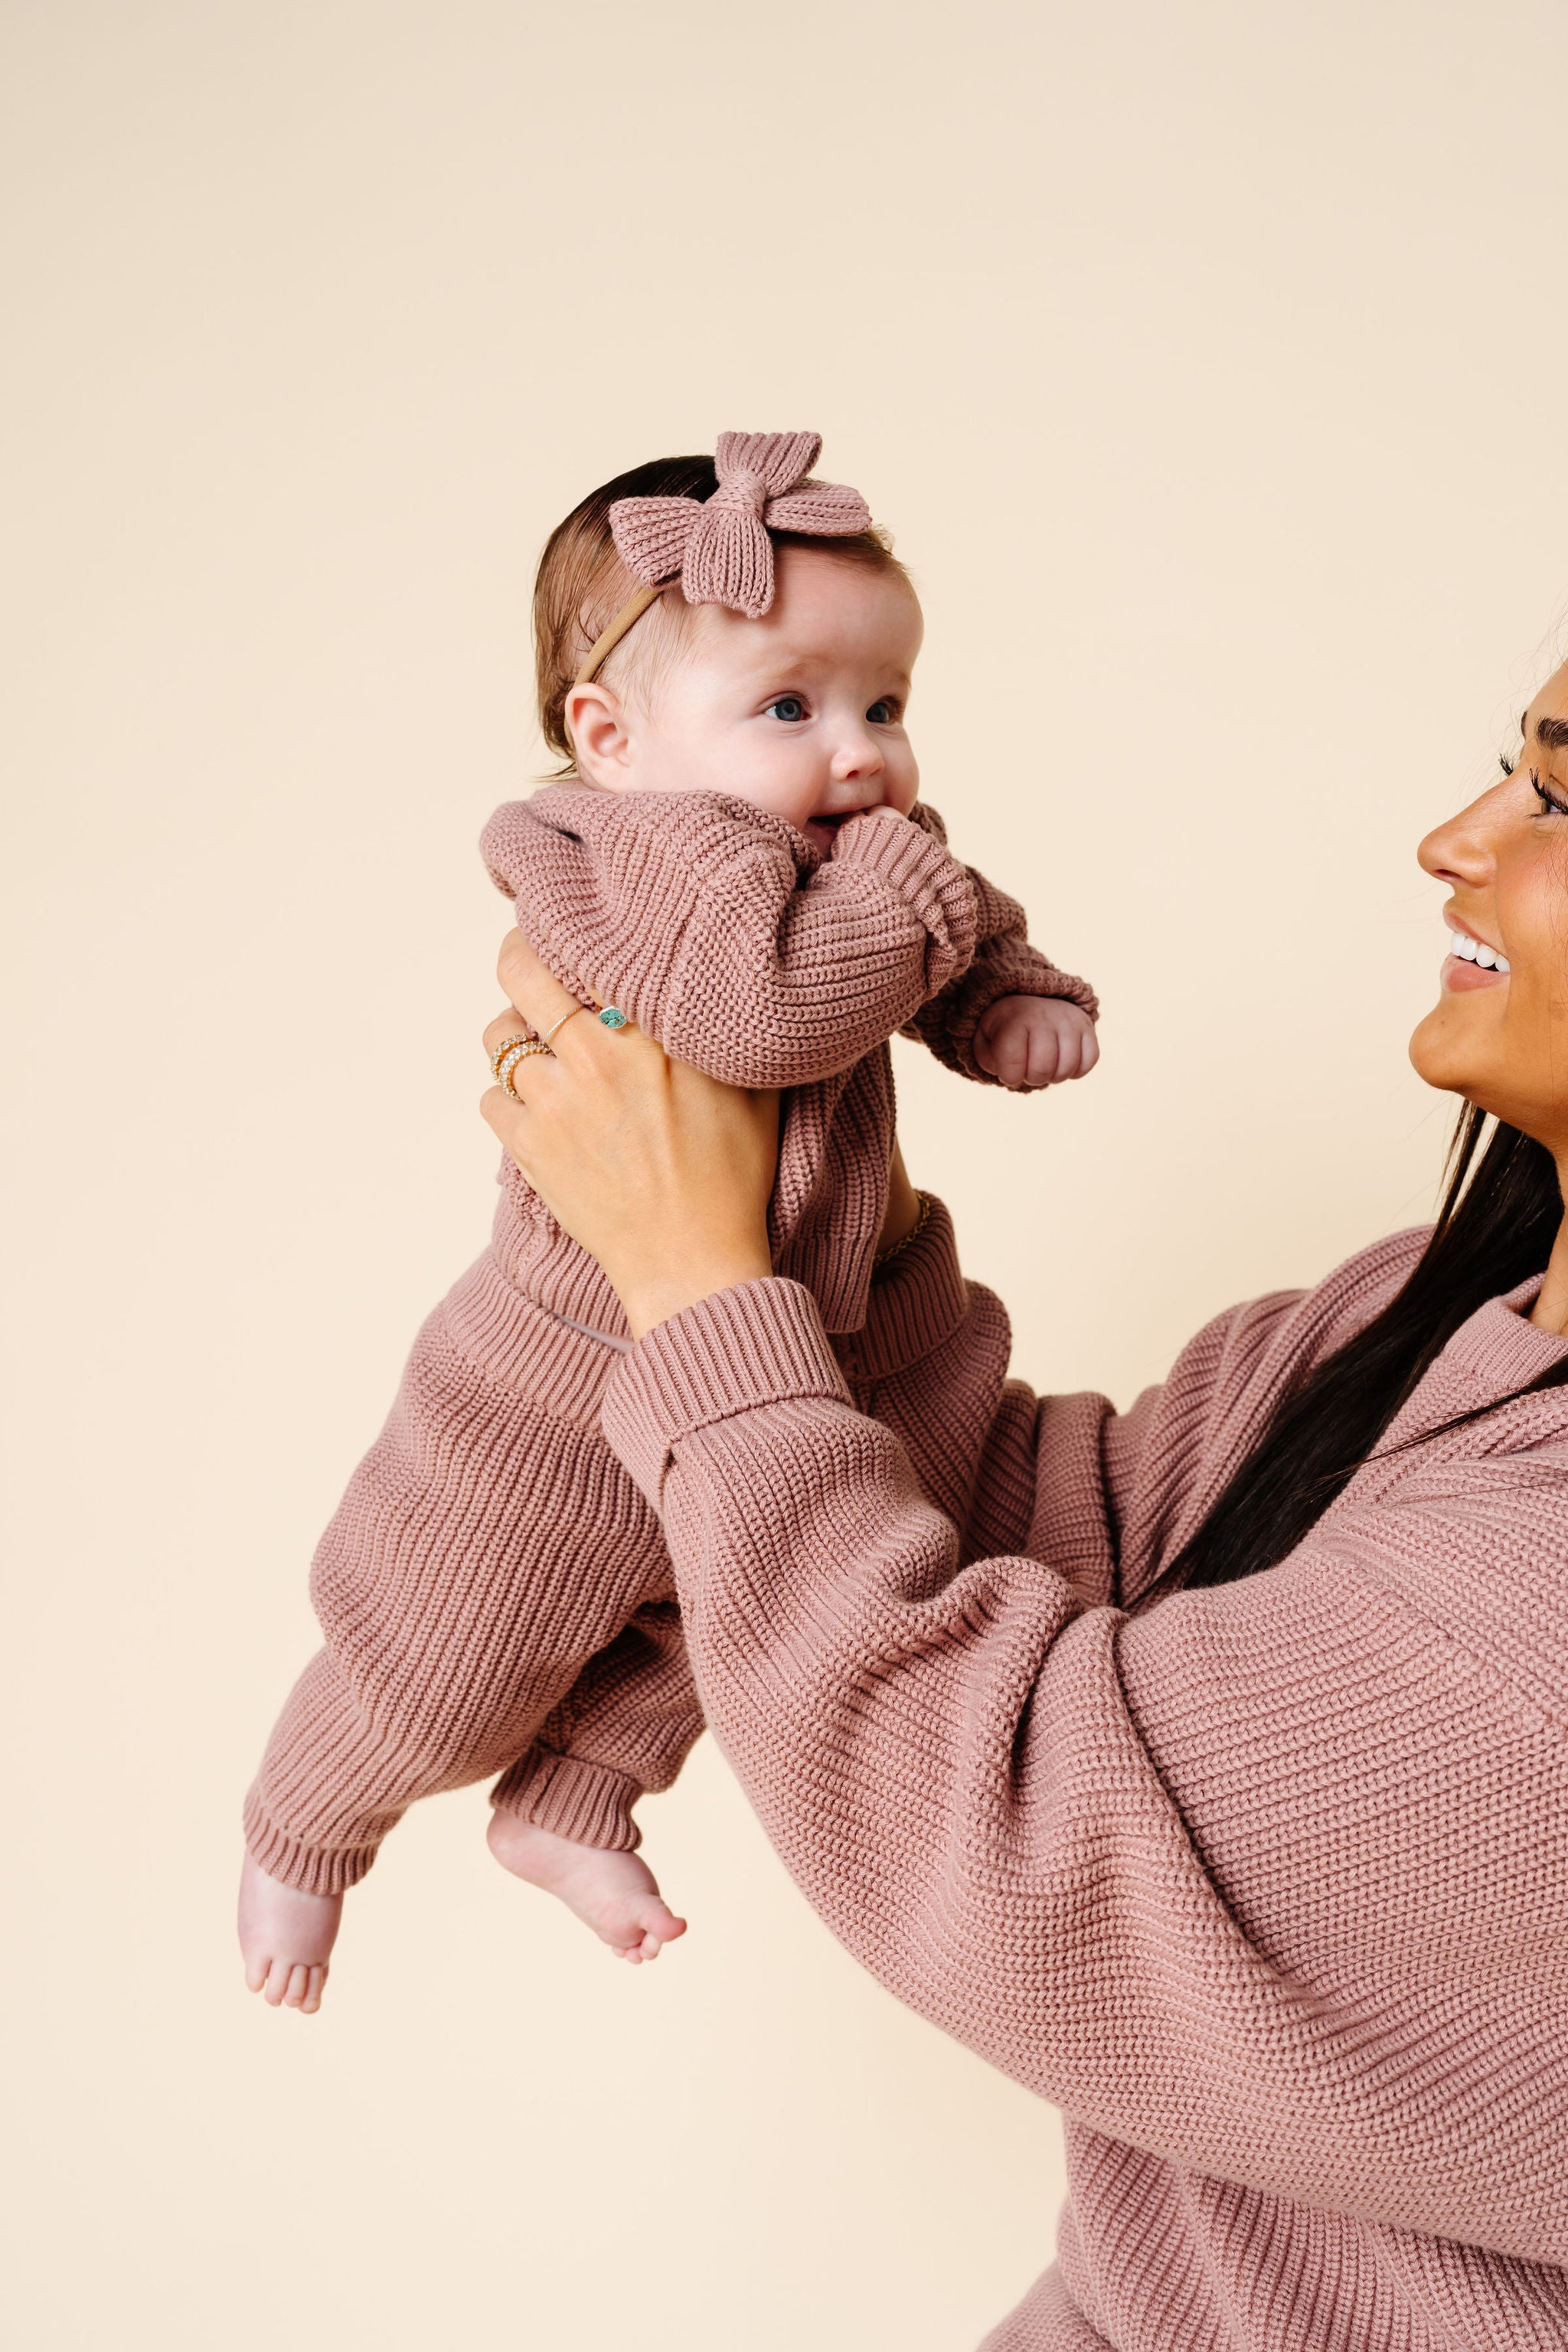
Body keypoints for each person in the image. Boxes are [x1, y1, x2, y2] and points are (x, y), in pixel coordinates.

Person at [477, 664, 1568, 2348]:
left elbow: (1016, 1813)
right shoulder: (1428, 1311)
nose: (1454, 840)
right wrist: (805, 1188)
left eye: (1555, 799)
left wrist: (695, 1285)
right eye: (1500, 768)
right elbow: (1055, 1542)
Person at [238, 432, 1099, 2011]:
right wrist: (923, 903)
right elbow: (765, 1018)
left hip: (789, 1340)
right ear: (609, 735)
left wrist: (1006, 997)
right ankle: (305, 1823)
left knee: (747, 1614)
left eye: (885, 705)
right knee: (442, 1662)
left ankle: (576, 1800)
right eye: (791, 707)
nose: (863, 756)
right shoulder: (655, 856)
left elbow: (951, 926)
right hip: (555, 1389)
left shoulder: (838, 854)